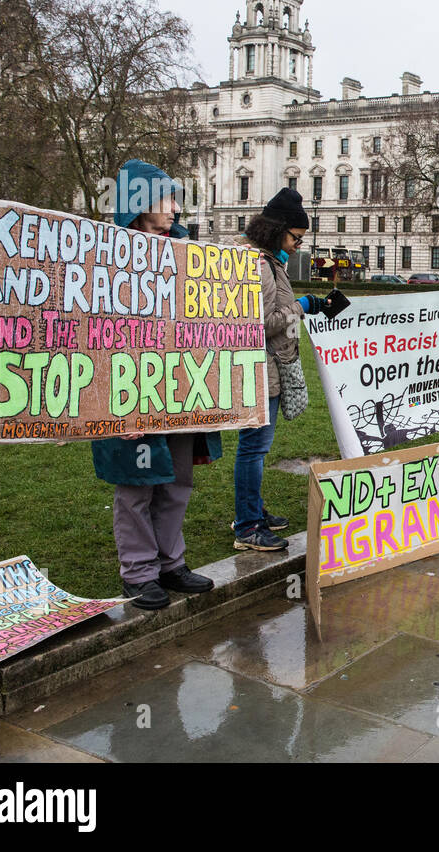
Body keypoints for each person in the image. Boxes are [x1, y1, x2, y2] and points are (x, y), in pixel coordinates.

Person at [91, 160, 221, 609]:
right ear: (140, 205)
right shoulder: (109, 255)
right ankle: (139, 572)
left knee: (176, 481)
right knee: (136, 486)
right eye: (167, 199)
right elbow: (95, 332)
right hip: (131, 388)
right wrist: (117, 404)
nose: (175, 209)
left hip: (184, 390)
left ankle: (171, 563)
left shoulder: (191, 252)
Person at [233, 187, 329, 551]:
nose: (297, 246)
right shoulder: (259, 264)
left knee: (256, 447)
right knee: (254, 448)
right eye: (295, 237)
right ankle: (247, 527)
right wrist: (302, 306)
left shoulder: (268, 260)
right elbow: (258, 322)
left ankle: (252, 510)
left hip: (267, 365)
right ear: (277, 229)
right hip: (260, 367)